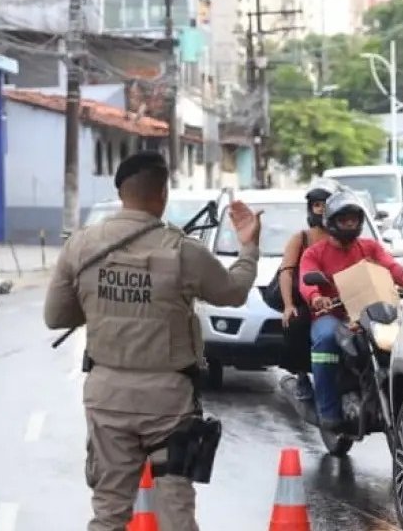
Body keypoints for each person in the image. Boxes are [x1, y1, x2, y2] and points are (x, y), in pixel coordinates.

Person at [43, 152, 262, 531]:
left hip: (107, 396)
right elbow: (234, 292)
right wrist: (248, 248)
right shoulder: (183, 251)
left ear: (120, 192)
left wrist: (101, 305)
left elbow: (56, 317)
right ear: (163, 194)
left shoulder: (81, 246)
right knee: (176, 511)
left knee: (109, 510)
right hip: (169, 402)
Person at [298, 190, 403, 432]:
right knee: (326, 339)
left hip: (368, 312)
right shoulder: (314, 253)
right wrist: (316, 297)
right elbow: (304, 279)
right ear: (331, 222)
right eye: (344, 220)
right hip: (332, 316)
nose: (350, 224)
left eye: (354, 219)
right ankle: (328, 410)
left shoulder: (370, 247)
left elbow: (391, 266)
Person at [277, 182, 335, 401]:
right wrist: (289, 305)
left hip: (339, 300)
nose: (321, 209)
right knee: (297, 323)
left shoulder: (341, 237)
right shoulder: (301, 238)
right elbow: (287, 272)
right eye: (316, 205)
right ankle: (302, 376)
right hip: (307, 300)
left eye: (325, 205)